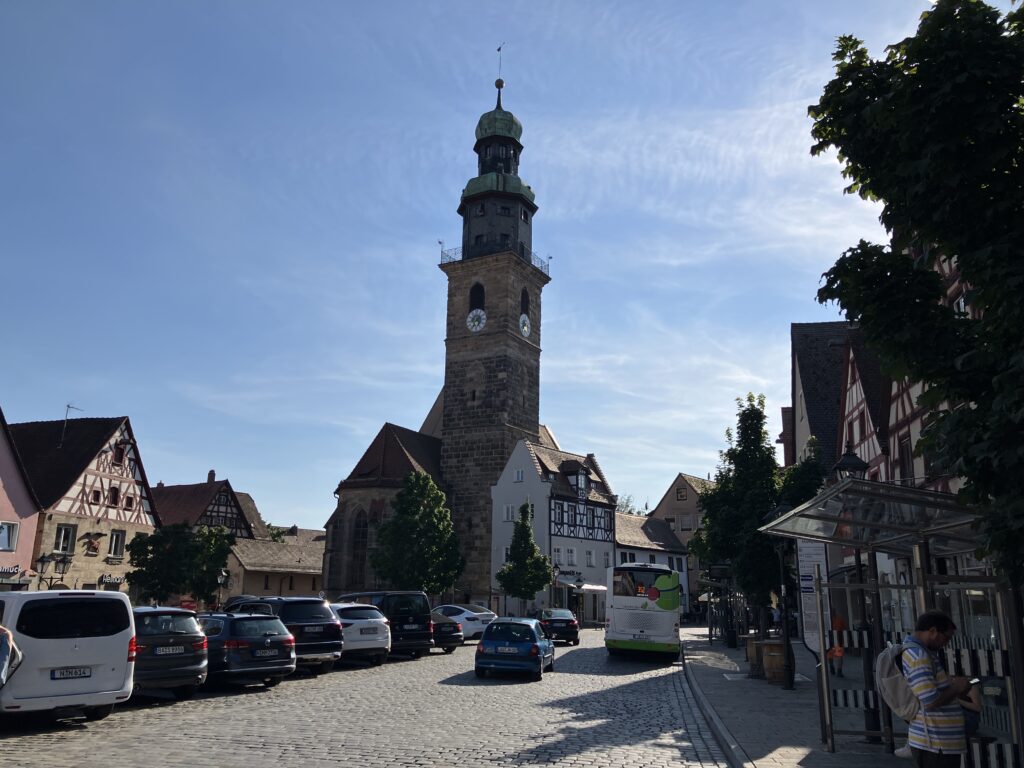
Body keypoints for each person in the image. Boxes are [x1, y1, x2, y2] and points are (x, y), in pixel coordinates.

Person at [902, 609, 972, 767]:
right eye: (946, 637)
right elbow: (930, 701)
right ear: (932, 631)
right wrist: (956, 687)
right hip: (935, 744)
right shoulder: (919, 657)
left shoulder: (922, 653)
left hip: (938, 742)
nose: (946, 643)